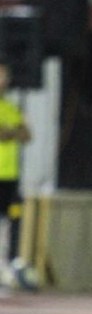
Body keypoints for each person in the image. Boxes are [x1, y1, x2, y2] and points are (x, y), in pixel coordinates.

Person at [0, 61, 31, 273]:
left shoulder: (11, 108)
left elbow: (26, 135)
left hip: (9, 173)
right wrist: (13, 132)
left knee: (7, 221)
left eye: (4, 76)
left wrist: (10, 132)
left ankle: (4, 265)